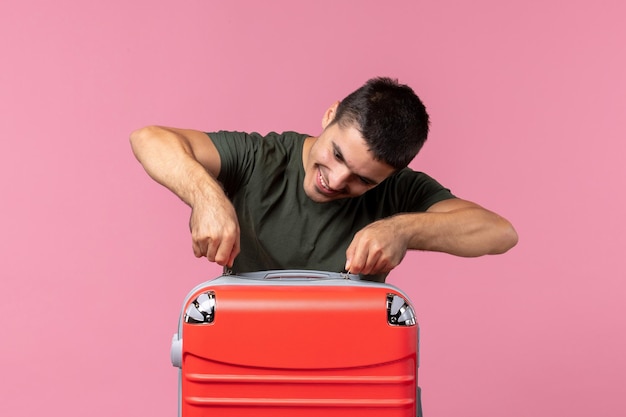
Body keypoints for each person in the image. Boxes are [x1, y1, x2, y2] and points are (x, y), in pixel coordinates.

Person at [130, 77, 518, 282]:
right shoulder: (258, 158)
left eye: (363, 180)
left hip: (347, 368)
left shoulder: (398, 191)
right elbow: (148, 138)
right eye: (335, 154)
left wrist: (403, 230)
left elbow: (499, 233)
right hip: (246, 355)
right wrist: (207, 197)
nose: (335, 180)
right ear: (330, 114)